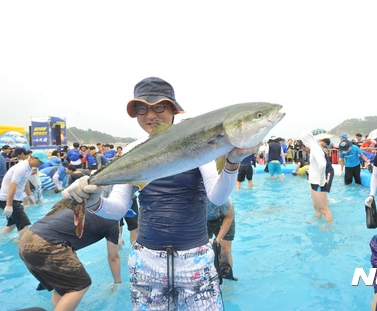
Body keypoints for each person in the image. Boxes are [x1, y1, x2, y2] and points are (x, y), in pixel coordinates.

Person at [60, 76, 256, 310]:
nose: (150, 115)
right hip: (146, 260)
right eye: (142, 108)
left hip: (194, 258)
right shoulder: (133, 149)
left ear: (173, 109)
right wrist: (94, 202)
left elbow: (217, 197)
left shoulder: (198, 141)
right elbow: (119, 209)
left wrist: (232, 163)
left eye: (159, 106)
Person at [18, 208, 121, 311]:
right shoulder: (112, 221)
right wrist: (117, 283)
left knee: (64, 284)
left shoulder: (87, 204)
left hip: (26, 239)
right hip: (46, 244)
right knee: (80, 284)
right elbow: (113, 257)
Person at [0, 150, 48, 239]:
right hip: (8, 199)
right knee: (24, 223)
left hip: (13, 199)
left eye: (42, 162)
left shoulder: (29, 167)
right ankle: (22, 242)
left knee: (12, 224)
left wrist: (30, 196)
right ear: (32, 158)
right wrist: (9, 205)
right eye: (40, 161)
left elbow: (25, 182)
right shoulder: (21, 168)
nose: (41, 164)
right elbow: (12, 186)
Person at [300, 131, 334, 223]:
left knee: (324, 208)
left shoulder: (316, 149)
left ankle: (329, 227)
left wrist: (321, 180)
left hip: (318, 182)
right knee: (316, 207)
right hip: (313, 182)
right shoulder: (314, 148)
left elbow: (322, 164)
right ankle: (317, 221)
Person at [207, 196, 236, 271]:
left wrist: (218, 240)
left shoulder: (223, 197)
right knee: (202, 249)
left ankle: (227, 278)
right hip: (203, 220)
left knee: (225, 249)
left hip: (224, 218)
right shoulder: (194, 196)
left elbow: (229, 217)